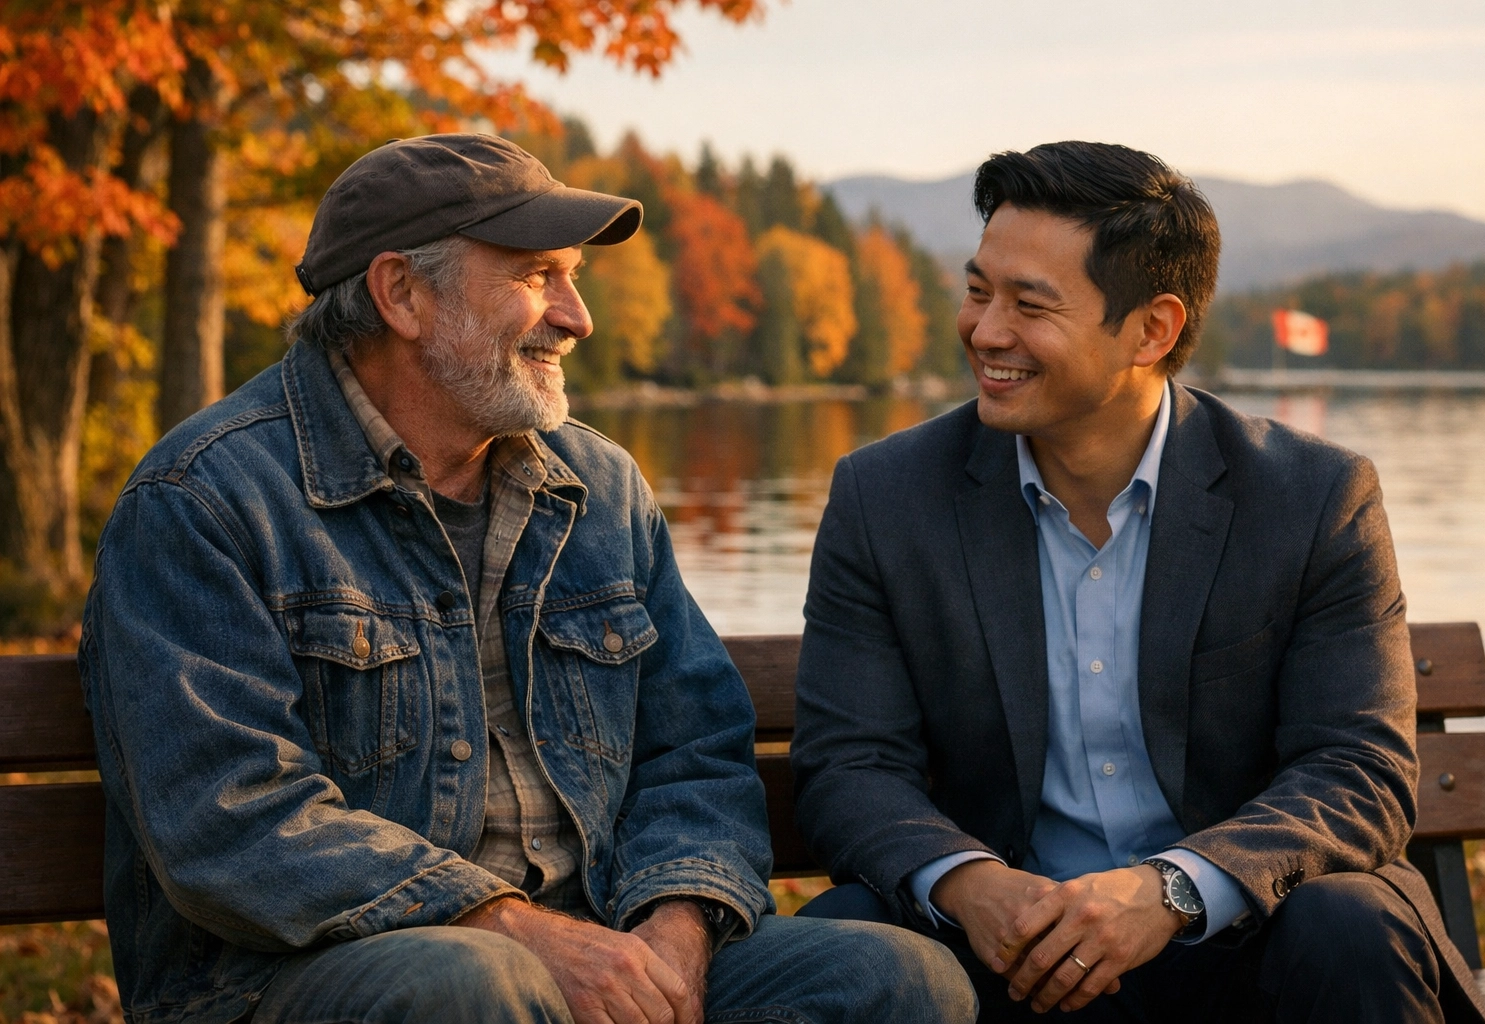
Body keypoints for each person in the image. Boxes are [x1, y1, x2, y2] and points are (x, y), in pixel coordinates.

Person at [79, 133, 977, 1024]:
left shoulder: (600, 488)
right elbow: (233, 817)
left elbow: (694, 751)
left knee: (899, 980)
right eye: (538, 276)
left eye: (572, 278)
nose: (578, 318)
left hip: (599, 941)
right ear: (402, 294)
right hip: (298, 979)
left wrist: (676, 933)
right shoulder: (204, 501)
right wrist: (519, 934)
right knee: (473, 987)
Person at [790, 141, 1485, 1023]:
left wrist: (1171, 891)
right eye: (978, 291)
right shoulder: (886, 496)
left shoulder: (1313, 497)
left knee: (1349, 923)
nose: (986, 331)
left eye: (1029, 305)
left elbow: (1358, 769)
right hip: (1002, 955)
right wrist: (971, 885)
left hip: (1242, 942)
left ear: (1153, 330)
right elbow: (850, 764)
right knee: (848, 942)